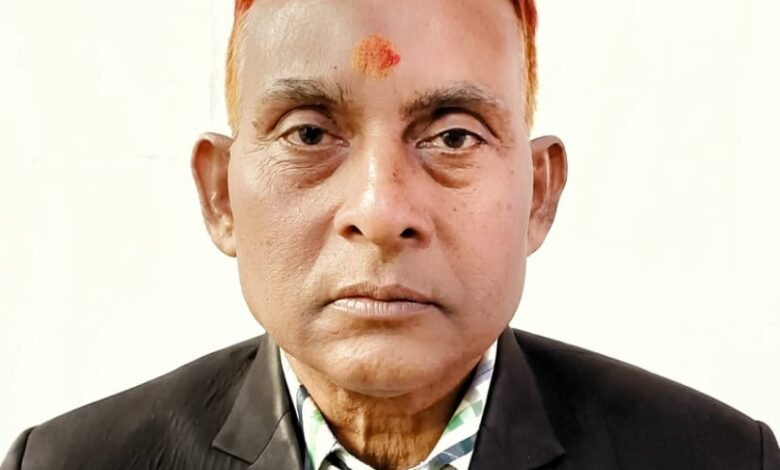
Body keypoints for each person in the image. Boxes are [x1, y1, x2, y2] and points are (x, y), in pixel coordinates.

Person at [2, 0, 778, 469]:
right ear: (221, 195)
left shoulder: (717, 462)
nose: (380, 211)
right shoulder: (70, 466)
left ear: (539, 194)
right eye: (309, 134)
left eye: (453, 136)